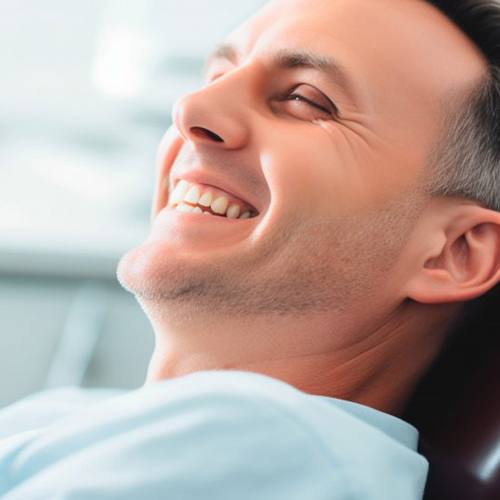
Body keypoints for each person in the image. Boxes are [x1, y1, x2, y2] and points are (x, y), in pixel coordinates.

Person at [1, 0, 499, 498]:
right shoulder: (71, 415)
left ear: (455, 252)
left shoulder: (274, 447)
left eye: (307, 99)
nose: (189, 109)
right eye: (217, 73)